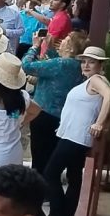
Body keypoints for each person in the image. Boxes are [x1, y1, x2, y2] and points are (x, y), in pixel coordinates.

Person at [44, 46, 110, 216]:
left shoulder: (97, 80)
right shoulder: (89, 82)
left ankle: (58, 214)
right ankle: (65, 215)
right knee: (74, 176)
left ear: (100, 65)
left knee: (51, 173)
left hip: (76, 137)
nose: (86, 65)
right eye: (84, 62)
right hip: (71, 135)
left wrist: (99, 123)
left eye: (91, 62)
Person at [23, 30, 87, 174]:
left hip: (43, 113)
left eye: (66, 39)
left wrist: (34, 47)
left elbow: (26, 65)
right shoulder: (77, 65)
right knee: (50, 158)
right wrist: (50, 48)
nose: (62, 40)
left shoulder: (60, 64)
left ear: (71, 48)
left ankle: (37, 191)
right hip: (62, 117)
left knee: (39, 159)